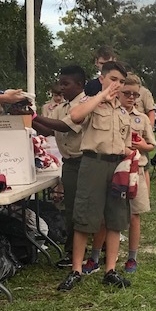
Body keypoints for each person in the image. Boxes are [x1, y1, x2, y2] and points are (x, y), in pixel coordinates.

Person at [57, 61, 133, 292]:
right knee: (84, 217)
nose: (117, 85)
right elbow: (75, 115)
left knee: (115, 218)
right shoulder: (90, 103)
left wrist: (133, 160)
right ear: (102, 79)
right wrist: (100, 97)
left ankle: (110, 270)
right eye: (113, 79)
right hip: (93, 163)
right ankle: (76, 270)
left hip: (117, 165)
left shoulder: (122, 112)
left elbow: (126, 143)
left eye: (121, 81)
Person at [32, 65, 87, 270]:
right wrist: (29, 117)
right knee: (71, 208)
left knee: (79, 208)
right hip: (69, 162)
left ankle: (77, 253)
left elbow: (65, 126)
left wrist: (35, 117)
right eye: (60, 83)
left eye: (66, 83)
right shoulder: (62, 107)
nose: (62, 88)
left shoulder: (84, 105)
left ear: (79, 84)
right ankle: (75, 251)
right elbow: (48, 130)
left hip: (83, 161)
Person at [121, 75, 156, 273]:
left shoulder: (141, 118)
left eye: (135, 94)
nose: (131, 97)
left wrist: (143, 145)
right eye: (127, 93)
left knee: (135, 214)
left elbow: (151, 144)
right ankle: (98, 255)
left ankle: (132, 257)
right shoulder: (111, 115)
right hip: (115, 169)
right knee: (111, 216)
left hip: (136, 170)